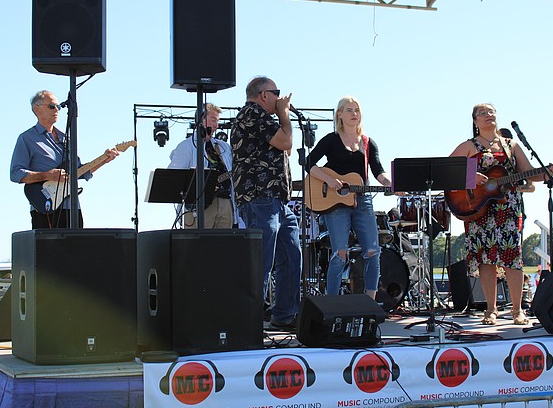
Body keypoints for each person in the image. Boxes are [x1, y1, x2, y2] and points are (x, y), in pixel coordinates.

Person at [449, 103, 553, 325]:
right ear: (475, 121)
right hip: (479, 208)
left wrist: (546, 173)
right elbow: (448, 169)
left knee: (512, 256)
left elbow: (527, 173)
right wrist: (472, 177)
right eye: (483, 113)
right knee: (485, 258)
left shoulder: (510, 145)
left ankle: (517, 310)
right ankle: (491, 310)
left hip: (508, 207)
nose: (488, 115)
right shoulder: (469, 146)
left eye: (491, 112)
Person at [231, 76, 302, 331]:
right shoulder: (253, 114)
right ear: (263, 95)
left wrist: (282, 119)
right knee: (261, 262)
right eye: (276, 93)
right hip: (260, 198)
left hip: (277, 201)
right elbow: (286, 142)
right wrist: (284, 114)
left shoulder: (264, 119)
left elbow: (286, 147)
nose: (280, 98)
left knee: (291, 256)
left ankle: (284, 315)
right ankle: (248, 324)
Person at [306, 96, 392, 299]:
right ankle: (332, 303)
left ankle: (370, 302)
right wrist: (329, 180)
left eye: (357, 110)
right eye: (349, 110)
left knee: (373, 251)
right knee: (340, 253)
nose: (354, 114)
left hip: (363, 200)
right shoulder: (331, 139)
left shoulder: (368, 143)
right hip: (335, 202)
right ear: (340, 114)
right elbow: (308, 163)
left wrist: (390, 183)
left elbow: (378, 170)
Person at [10, 90, 120, 229]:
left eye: (58, 106)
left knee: (77, 243)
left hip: (71, 207)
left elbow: (79, 171)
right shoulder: (27, 138)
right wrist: (47, 175)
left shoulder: (66, 138)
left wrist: (104, 159)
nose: (56, 110)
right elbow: (16, 174)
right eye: (52, 106)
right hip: (45, 207)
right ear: (36, 109)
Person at [167, 103, 241, 229]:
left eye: (217, 121)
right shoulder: (186, 146)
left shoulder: (223, 146)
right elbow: (174, 176)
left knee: (224, 241)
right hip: (199, 206)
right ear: (201, 120)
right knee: (199, 241)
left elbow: (233, 170)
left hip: (225, 203)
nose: (216, 125)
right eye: (213, 120)